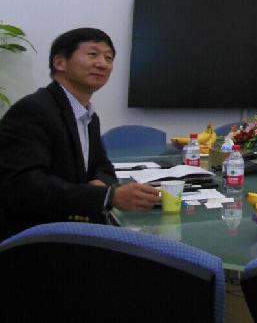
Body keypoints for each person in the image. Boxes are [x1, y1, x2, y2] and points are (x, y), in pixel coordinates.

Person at [0, 28, 159, 240]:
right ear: (60, 63)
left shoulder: (88, 115)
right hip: (35, 238)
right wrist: (106, 196)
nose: (102, 64)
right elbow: (24, 186)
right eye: (93, 54)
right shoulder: (33, 110)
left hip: (73, 228)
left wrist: (101, 184)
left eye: (108, 58)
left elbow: (102, 166)